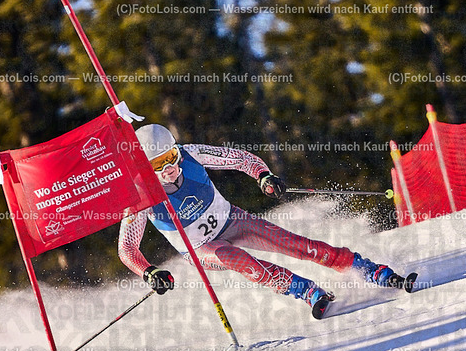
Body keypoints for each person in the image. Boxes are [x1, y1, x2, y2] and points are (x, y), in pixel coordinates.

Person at [118, 124, 410, 319]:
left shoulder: (190, 154)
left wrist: (263, 176)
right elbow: (127, 249)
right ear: (145, 166)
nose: (169, 168)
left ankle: (369, 269)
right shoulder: (139, 195)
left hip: (232, 220)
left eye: (171, 156)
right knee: (240, 260)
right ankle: (307, 291)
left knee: (297, 245)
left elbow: (241, 159)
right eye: (158, 164)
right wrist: (149, 272)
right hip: (201, 249)